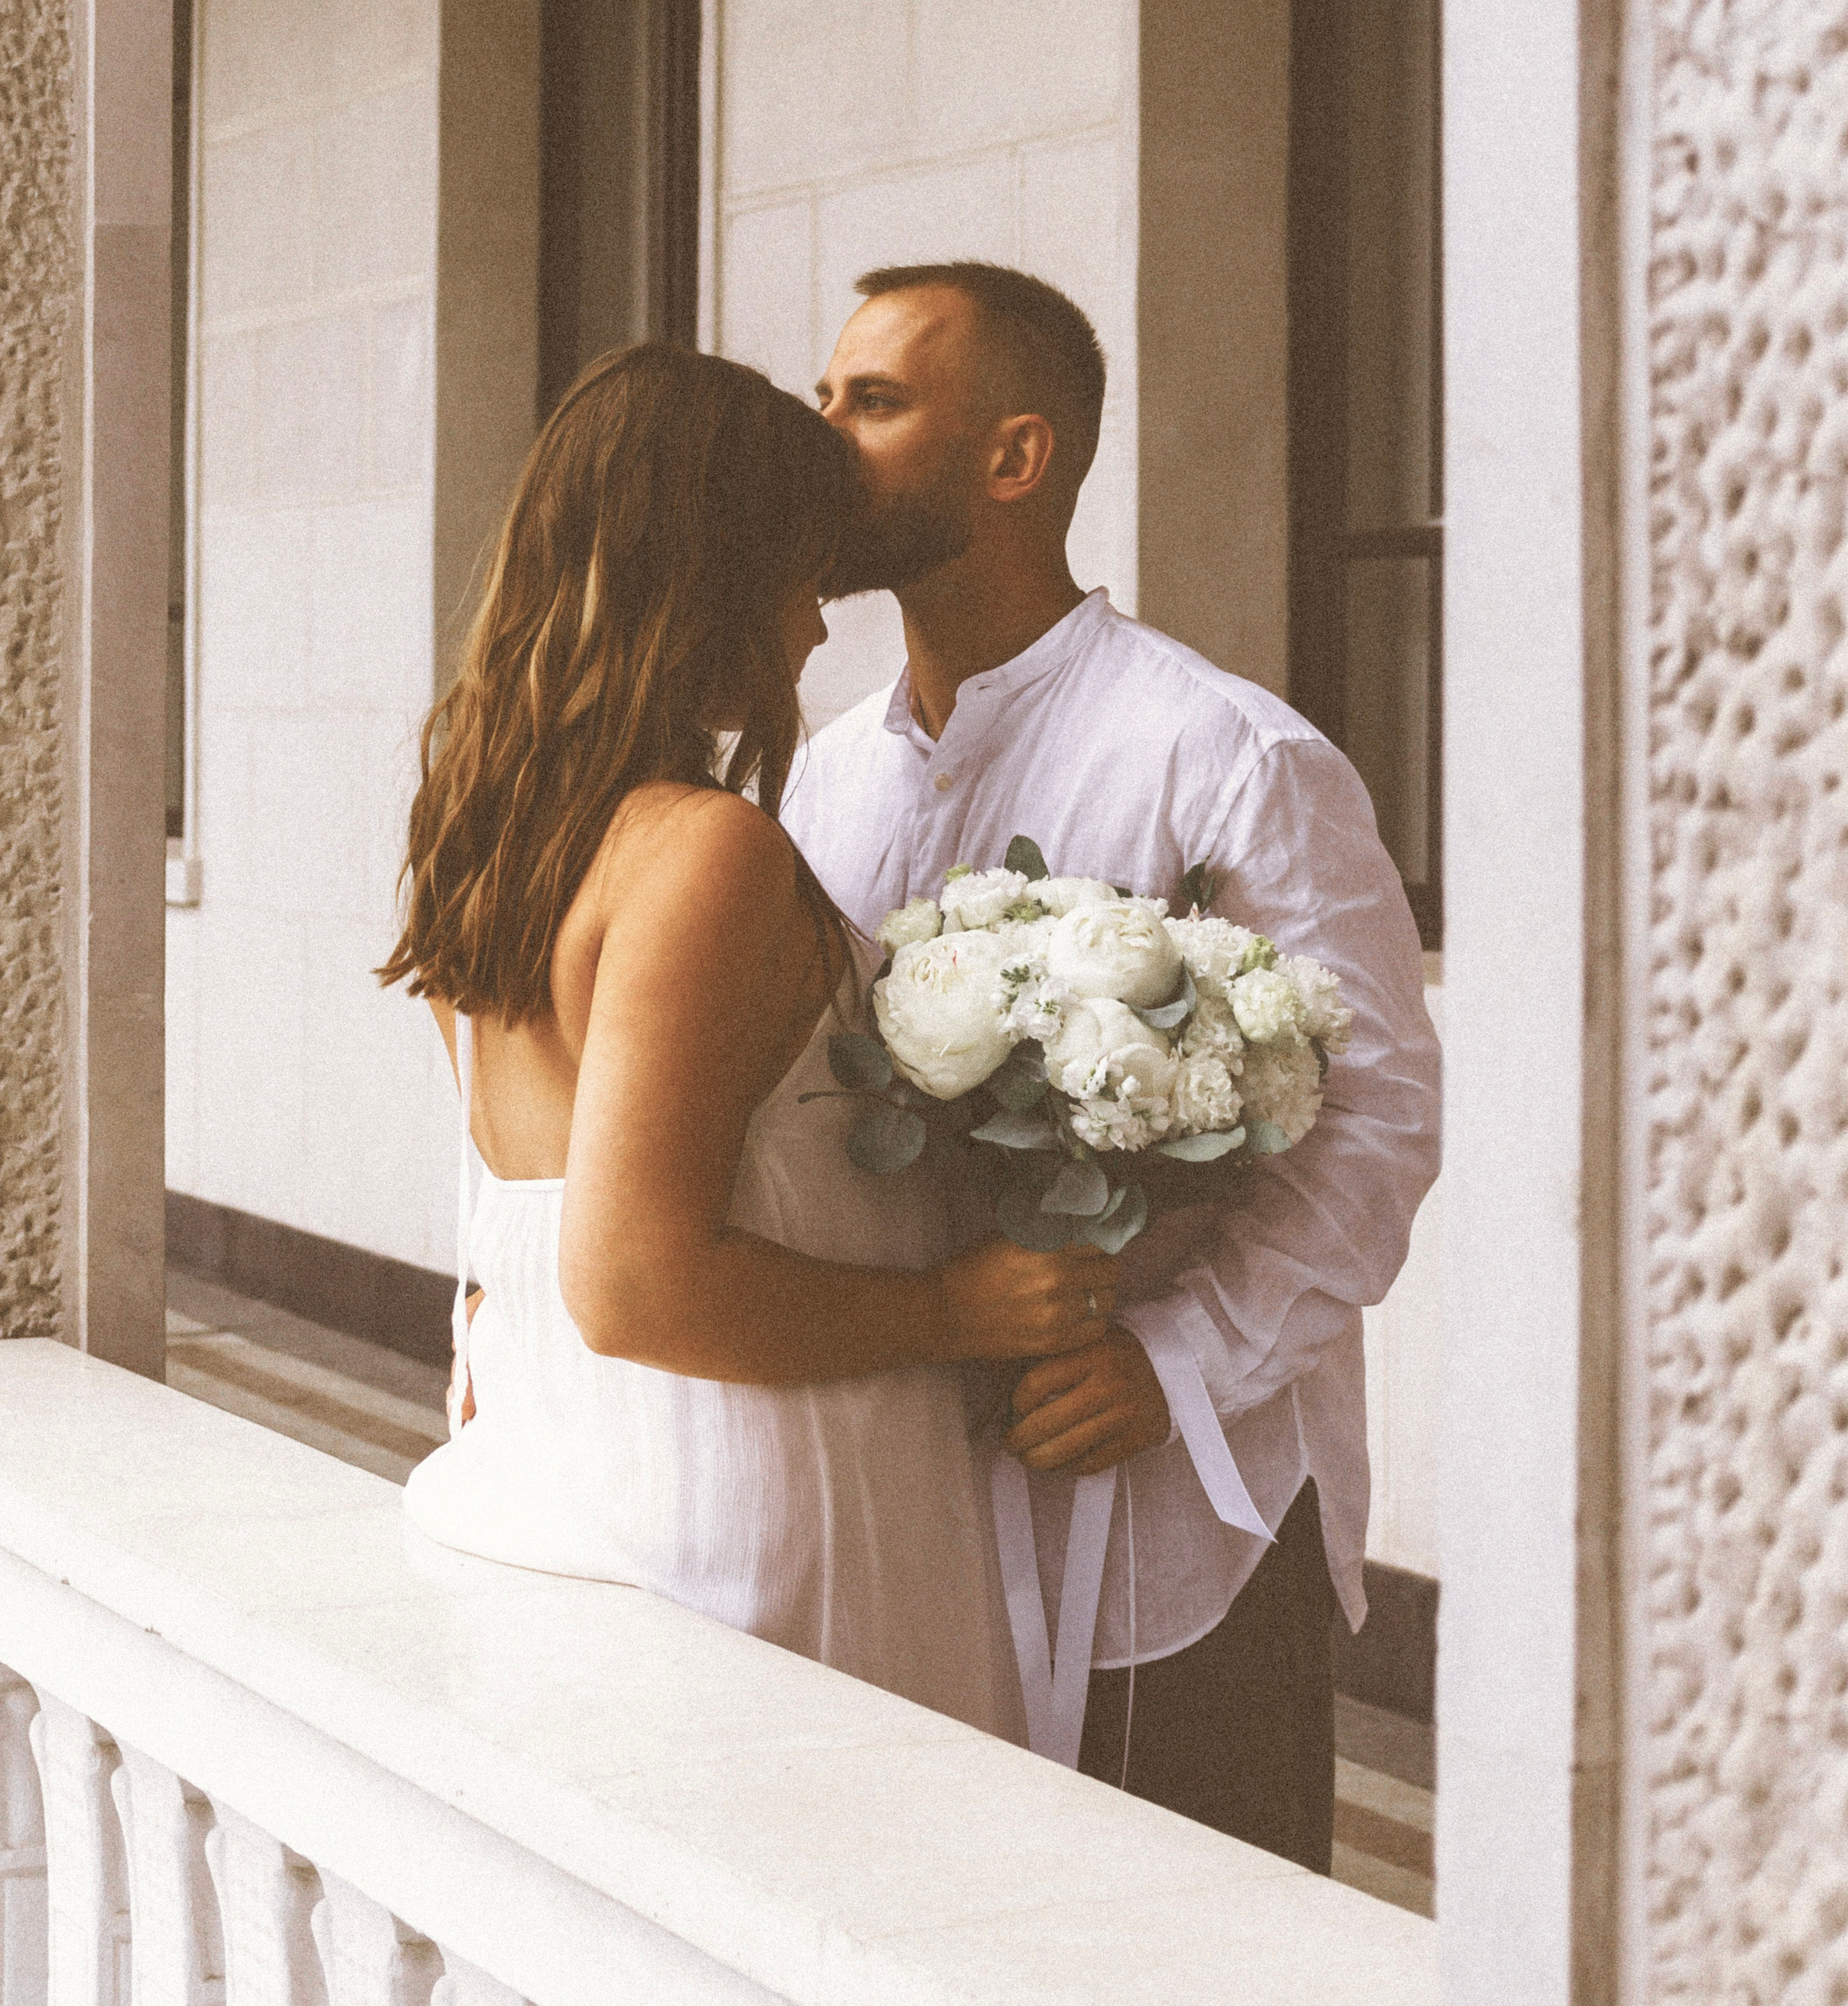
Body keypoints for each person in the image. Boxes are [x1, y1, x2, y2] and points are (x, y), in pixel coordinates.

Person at [783, 262, 1442, 1862]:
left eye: (870, 401)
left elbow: (1375, 1127)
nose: (820, 436)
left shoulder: (1223, 752)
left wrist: (1174, 1362)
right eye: (824, 396)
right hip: (906, 1516)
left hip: (1174, 1529)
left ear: (1014, 456)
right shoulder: (816, 781)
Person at [385, 341, 1113, 1738]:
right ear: (709, 583)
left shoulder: (479, 834)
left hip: (558, 1466)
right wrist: (958, 1310)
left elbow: (534, 1230)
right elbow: (635, 1281)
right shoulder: (699, 853)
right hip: (745, 1494)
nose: (817, 631)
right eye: (798, 577)